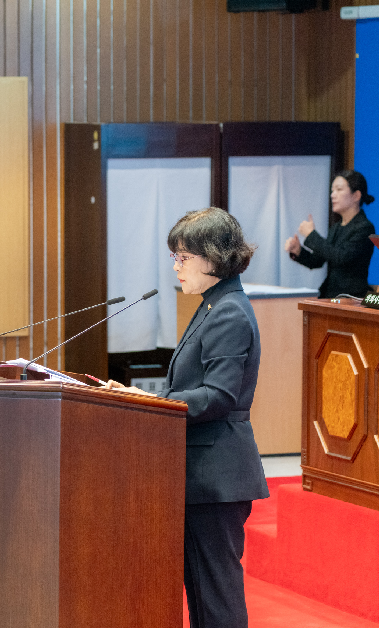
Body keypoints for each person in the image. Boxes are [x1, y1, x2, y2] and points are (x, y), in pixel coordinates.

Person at [105, 208, 269, 628]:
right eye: (175, 256)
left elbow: (218, 396)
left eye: (184, 257)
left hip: (217, 478)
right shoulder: (213, 305)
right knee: (201, 594)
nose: (176, 266)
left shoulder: (229, 311)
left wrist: (149, 402)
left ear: (213, 258)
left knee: (216, 599)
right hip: (202, 475)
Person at [284, 170, 376, 299]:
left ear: (356, 196)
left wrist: (311, 235)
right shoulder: (336, 227)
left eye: (339, 190)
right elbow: (317, 261)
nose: (333, 195)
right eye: (332, 191)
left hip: (353, 298)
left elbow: (341, 257)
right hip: (332, 296)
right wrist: (298, 251)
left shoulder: (365, 227)